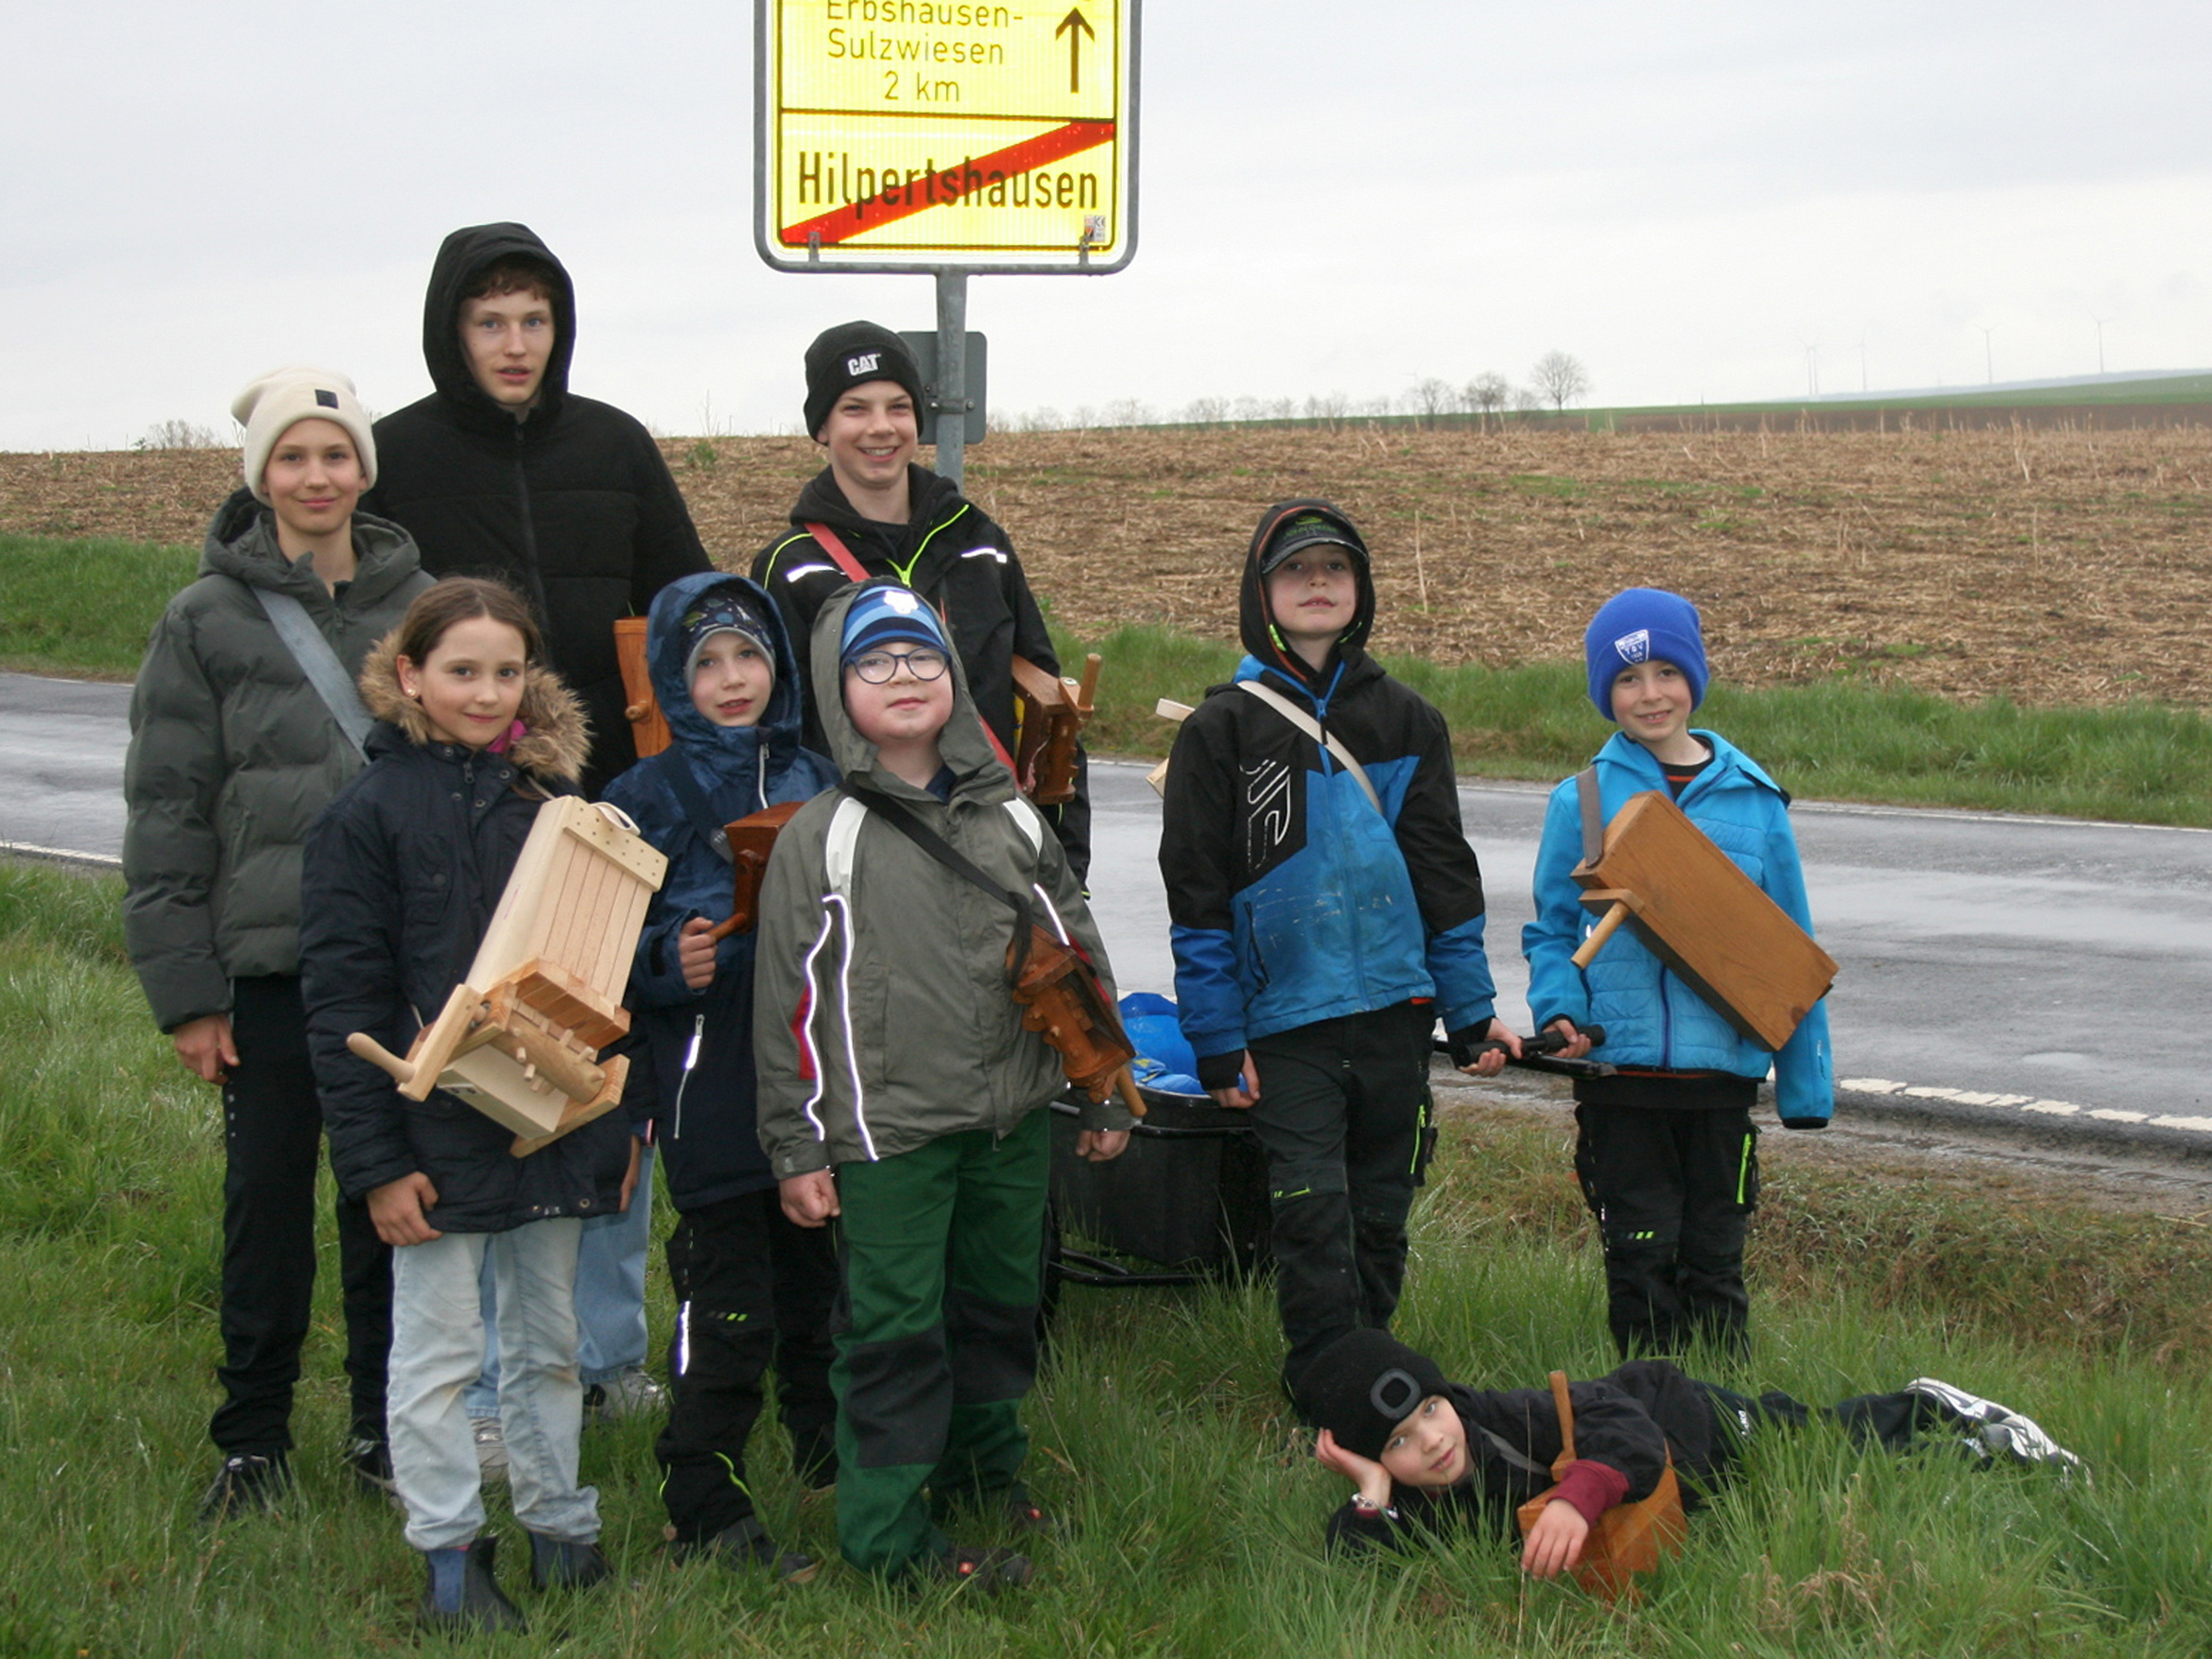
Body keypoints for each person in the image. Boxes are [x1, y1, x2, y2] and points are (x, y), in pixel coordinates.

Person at [363, 221, 705, 1449]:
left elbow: (686, 607)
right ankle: (487, 1377)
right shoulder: (397, 455)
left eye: (536, 318)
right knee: (485, 1086)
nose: (516, 344)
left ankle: (605, 1352)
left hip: (609, 825)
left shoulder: (611, 444)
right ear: (452, 331)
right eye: (491, 319)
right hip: (462, 827)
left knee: (603, 1080)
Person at [752, 579, 1132, 1589]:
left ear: (953, 678)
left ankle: (982, 1479)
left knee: (999, 1308)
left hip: (1011, 1122)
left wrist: (1100, 1089)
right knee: (894, 1331)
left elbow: (1075, 949)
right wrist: (797, 1146)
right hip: (888, 1139)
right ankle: (886, 1538)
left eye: (921, 656)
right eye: (875, 662)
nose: (904, 677)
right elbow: (788, 1007)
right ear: (839, 693)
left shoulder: (1010, 814)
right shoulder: (820, 835)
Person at [123, 367, 432, 1521]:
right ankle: (252, 1438)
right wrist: (185, 992)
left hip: (402, 967)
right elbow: (167, 806)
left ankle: (381, 1422)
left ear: (363, 468)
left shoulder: (425, 603)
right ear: (262, 476)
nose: (316, 477)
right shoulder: (205, 617)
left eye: (335, 453)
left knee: (393, 1198)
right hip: (266, 966)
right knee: (263, 1206)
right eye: (292, 457)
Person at [300, 579, 636, 1634]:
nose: (486, 693)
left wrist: (608, 1126)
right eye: (461, 671)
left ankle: (560, 1528)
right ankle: (450, 1554)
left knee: (549, 1345)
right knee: (442, 1355)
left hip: (548, 1127)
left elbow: (597, 987)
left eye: (504, 672)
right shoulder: (365, 816)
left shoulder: (561, 819)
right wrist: (375, 1164)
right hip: (432, 1136)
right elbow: (341, 1001)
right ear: (410, 676)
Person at [1156, 500, 1521, 1389]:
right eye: (1294, 571)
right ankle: (1323, 1387)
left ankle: (1379, 1377)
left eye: (1334, 569)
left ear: (1360, 590)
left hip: (1397, 1012)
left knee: (1382, 1211)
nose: (1316, 585)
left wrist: (1470, 1012)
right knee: (1312, 1211)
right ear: (1261, 593)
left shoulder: (1407, 721)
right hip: (1287, 1024)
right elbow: (1197, 900)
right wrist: (1215, 1038)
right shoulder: (1221, 732)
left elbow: (1444, 876)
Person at [597, 573, 841, 1579]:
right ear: (669, 675)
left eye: (748, 655)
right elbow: (594, 948)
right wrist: (667, 959)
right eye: (706, 662)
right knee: (730, 1295)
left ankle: (834, 1462)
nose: (732, 679)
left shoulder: (823, 776)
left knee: (827, 1284)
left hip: (823, 1070)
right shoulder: (637, 799)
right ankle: (703, 1494)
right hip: (711, 1074)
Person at [1523, 589, 1833, 1360]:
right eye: (1628, 679)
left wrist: (1804, 1085)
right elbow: (1551, 929)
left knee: (1715, 1261)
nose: (1650, 693)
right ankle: (1644, 1425)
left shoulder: (1756, 803)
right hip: (1620, 1075)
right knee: (1639, 1258)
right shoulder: (1585, 799)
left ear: (1693, 678)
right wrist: (1561, 1008)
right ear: (1606, 693)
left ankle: (1727, 1424)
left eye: (1666, 671)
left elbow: (1791, 954)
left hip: (1720, 1078)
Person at [750, 320, 1090, 879]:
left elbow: (1050, 711)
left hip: (993, 849)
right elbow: (782, 736)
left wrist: (1066, 864)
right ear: (821, 428)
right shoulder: (790, 566)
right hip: (864, 860)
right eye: (855, 408)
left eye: (898, 407)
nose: (880, 428)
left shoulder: (981, 543)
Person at [1300, 1329, 2085, 1569]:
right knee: (1809, 1480)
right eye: (1399, 1442)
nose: (1433, 1439)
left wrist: (1579, 1494)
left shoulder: (1503, 1416)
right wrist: (1370, 1489)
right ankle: (1946, 1444)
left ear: (1449, 1395)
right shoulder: (1414, 1498)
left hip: (1685, 1422)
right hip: (1676, 1500)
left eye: (1432, 1408)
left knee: (1819, 1440)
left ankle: (1938, 1411)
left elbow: (1624, 1430)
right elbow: (1358, 1555)